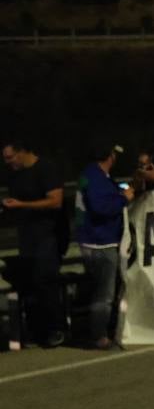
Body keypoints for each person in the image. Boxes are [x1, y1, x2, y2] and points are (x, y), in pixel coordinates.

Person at [2, 137, 70, 347]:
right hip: (27, 236)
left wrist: (22, 205)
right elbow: (18, 205)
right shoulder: (16, 175)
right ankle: (36, 331)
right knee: (29, 283)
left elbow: (55, 201)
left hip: (48, 235)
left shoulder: (46, 169)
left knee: (45, 280)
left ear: (22, 151)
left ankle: (57, 329)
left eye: (10, 157)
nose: (8, 162)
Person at [75, 140, 134, 348]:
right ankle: (99, 335)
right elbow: (101, 208)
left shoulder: (93, 175)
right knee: (104, 293)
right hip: (100, 242)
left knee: (100, 290)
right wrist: (123, 199)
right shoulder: (96, 178)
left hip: (92, 241)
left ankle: (98, 330)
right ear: (110, 156)